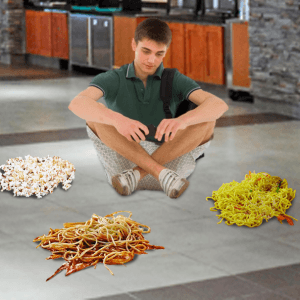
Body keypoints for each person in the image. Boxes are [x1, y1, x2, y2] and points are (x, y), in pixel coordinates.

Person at [68, 18, 229, 199]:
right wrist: (117, 120)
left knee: (207, 119)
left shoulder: (173, 78)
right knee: (95, 114)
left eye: (159, 54)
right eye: (146, 51)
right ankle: (153, 171)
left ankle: (142, 172)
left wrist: (182, 121)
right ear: (133, 45)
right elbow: (77, 103)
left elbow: (219, 105)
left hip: (170, 170)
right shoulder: (114, 77)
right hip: (123, 168)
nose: (152, 60)